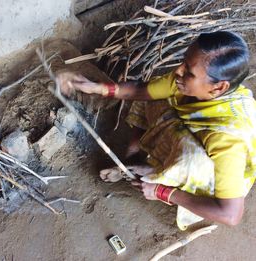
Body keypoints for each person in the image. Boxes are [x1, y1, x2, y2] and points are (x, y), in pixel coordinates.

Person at [56, 31, 256, 227]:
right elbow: (142, 90)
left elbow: (230, 215)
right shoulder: (187, 83)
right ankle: (134, 159)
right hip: (195, 133)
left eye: (189, 71)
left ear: (219, 88)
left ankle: (160, 175)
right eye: (183, 62)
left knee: (191, 159)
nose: (178, 71)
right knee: (152, 99)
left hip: (212, 176)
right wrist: (97, 88)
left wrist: (162, 192)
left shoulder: (228, 139)